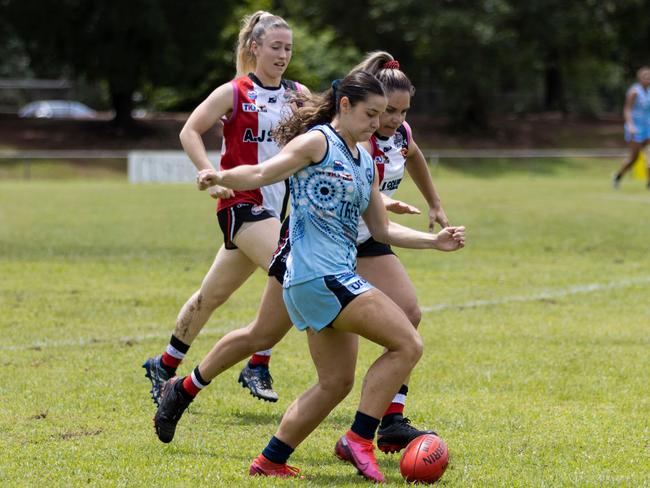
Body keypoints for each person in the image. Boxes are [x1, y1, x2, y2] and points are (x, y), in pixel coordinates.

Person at [155, 71, 465, 481]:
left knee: (336, 382)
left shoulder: (364, 159)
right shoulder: (318, 141)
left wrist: (435, 242)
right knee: (407, 343)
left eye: (383, 115)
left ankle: (270, 461)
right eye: (371, 114)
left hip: (328, 279)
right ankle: (360, 438)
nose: (377, 124)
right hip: (318, 276)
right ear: (344, 106)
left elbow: (382, 230)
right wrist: (220, 176)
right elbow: (266, 172)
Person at [142, 11, 309, 406]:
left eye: (288, 48)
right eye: (275, 47)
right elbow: (190, 130)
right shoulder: (235, 91)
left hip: (274, 210)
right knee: (291, 270)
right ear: (255, 48)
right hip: (240, 203)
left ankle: (164, 365)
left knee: (209, 296)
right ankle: (258, 362)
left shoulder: (298, 94)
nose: (283, 54)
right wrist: (207, 171)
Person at [612, 66, 650, 189]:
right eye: (645, 76)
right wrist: (630, 125)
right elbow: (627, 109)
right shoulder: (634, 91)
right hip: (636, 128)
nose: (648, 78)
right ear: (640, 78)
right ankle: (618, 175)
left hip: (648, 127)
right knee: (634, 158)